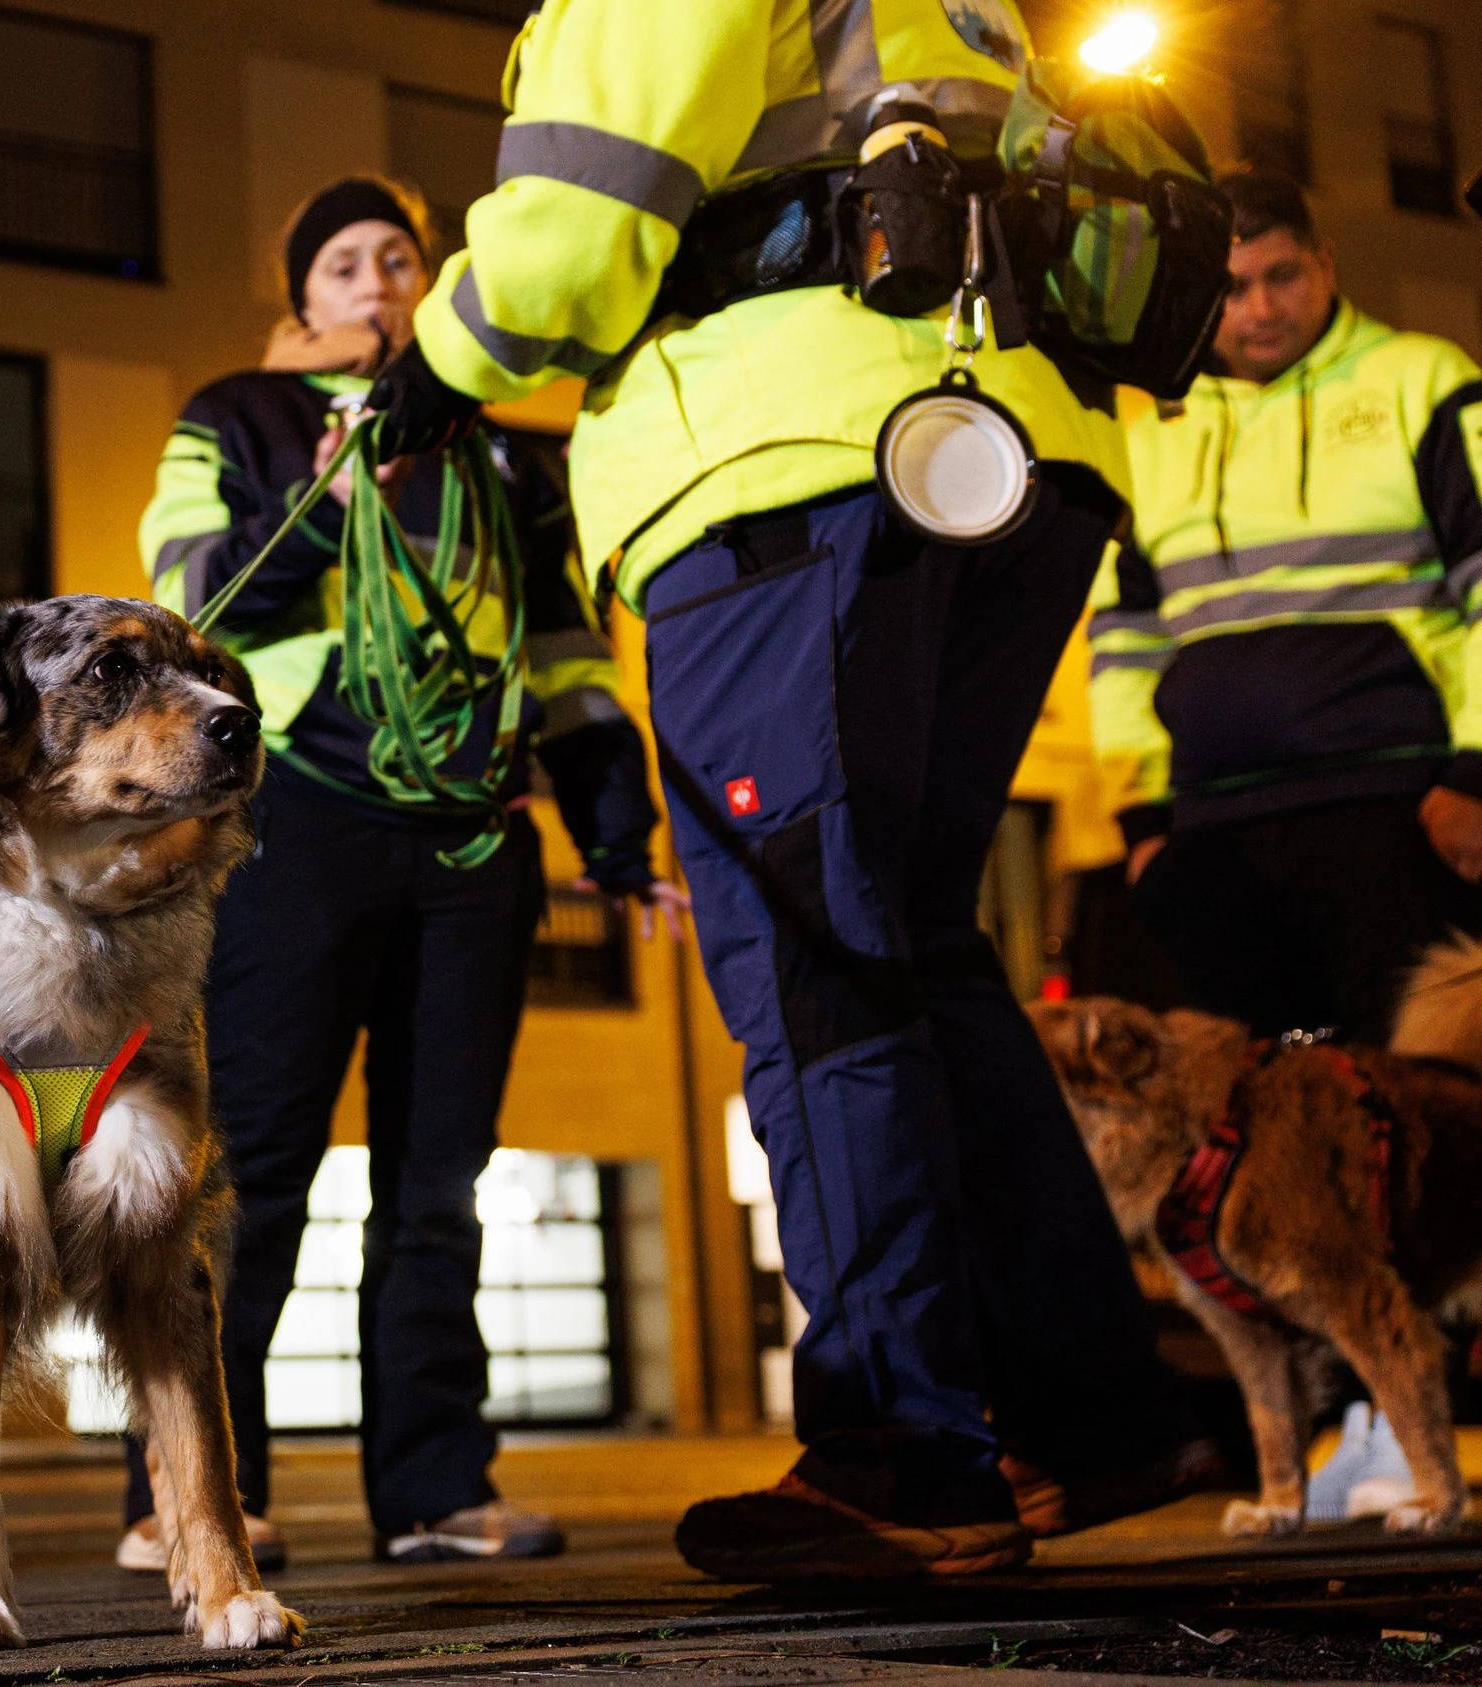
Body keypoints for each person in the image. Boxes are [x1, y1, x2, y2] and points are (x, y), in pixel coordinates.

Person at [358, 0, 1210, 1577]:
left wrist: (446, 354)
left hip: (792, 452)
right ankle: (1082, 1412)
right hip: (1012, 448)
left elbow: (580, 218)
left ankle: (905, 1449)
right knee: (914, 941)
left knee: (815, 957)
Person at [130, 177, 675, 1569]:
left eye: (399, 260)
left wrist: (617, 838)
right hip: (299, 825)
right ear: (305, 297)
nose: (375, 282)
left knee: (440, 1178)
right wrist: (337, 496)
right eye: (344, 265)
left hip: (473, 837)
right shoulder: (236, 416)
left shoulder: (505, 459)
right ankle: (198, 1490)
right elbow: (191, 592)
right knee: (256, 1165)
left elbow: (564, 653)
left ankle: (435, 1488)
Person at [1089, 172, 1482, 1044]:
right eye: (1231, 288)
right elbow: (1121, 643)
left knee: (1428, 1110)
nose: (1260, 308)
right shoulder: (1145, 430)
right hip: (1212, 839)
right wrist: (1144, 827)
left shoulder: (1422, 379)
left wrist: (1475, 777)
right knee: (1270, 1131)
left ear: (1326, 262)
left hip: (1399, 815)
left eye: (1283, 275)